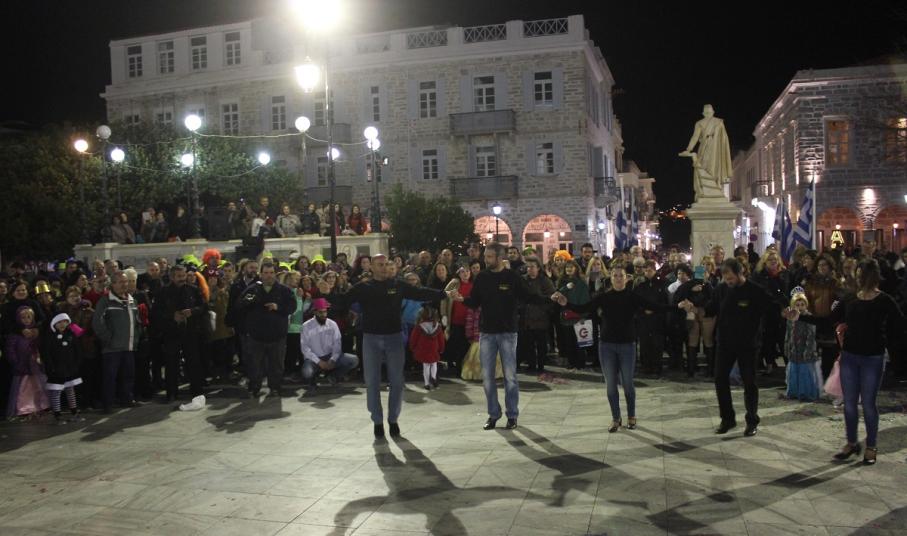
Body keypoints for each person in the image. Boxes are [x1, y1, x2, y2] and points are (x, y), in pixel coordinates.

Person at [788, 259, 904, 465]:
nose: (858, 278)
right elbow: (828, 320)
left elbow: (900, 326)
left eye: (862, 274)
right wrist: (801, 317)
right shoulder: (850, 298)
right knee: (849, 403)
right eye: (857, 274)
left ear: (873, 277)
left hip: (872, 358)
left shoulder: (884, 300)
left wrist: (886, 344)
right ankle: (852, 443)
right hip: (849, 356)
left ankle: (871, 446)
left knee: (868, 404)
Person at [336, 254, 452, 439]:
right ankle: (377, 421)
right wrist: (325, 294)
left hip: (394, 338)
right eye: (379, 265)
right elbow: (342, 301)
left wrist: (444, 294)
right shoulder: (363, 287)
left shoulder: (398, 285)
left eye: (385, 264)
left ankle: (393, 419)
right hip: (371, 339)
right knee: (372, 381)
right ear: (371, 267)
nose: (383, 268)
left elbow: (420, 292)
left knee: (397, 381)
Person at [554, 265, 674, 433]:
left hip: (627, 345)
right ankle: (616, 418)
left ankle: (631, 416)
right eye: (615, 275)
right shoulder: (604, 297)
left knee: (628, 384)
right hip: (607, 346)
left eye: (621, 275)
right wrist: (566, 304)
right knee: (611, 385)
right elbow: (584, 308)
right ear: (610, 278)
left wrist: (678, 306)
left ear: (626, 278)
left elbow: (656, 307)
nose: (618, 278)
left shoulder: (632, 296)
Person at [680, 258, 786, 437]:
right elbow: (709, 310)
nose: (728, 281)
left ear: (740, 273)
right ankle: (727, 419)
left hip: (748, 344)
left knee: (749, 382)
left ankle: (752, 420)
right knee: (720, 379)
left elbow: (773, 306)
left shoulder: (754, 290)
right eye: (725, 278)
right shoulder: (721, 290)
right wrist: (693, 308)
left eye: (730, 278)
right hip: (725, 342)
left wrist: (786, 311)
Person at [457, 243, 548, 431]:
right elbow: (474, 301)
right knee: (487, 377)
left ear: (499, 258)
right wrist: (461, 299)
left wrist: (550, 299)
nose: (485, 259)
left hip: (508, 332)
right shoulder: (482, 277)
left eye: (489, 256)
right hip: (487, 333)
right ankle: (493, 414)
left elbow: (528, 297)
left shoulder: (512, 277)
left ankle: (512, 415)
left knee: (510, 376)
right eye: (485, 256)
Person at [237, 262, 297, 397]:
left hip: (277, 336)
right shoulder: (252, 289)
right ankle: (254, 388)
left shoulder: (284, 290)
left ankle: (275, 388)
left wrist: (278, 307)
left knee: (276, 365)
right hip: (256, 336)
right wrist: (249, 301)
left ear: (275, 274)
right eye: (265, 273)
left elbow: (292, 308)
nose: (268, 276)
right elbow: (240, 305)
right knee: (255, 364)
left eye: (271, 273)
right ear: (261, 274)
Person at [92, 271, 142, 412]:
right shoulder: (105, 301)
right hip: (112, 348)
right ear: (113, 284)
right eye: (120, 282)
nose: (124, 285)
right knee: (110, 377)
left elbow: (137, 322)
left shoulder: (132, 301)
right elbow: (97, 323)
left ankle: (127, 399)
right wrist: (108, 338)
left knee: (128, 375)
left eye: (126, 281)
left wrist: (136, 337)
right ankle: (108, 403)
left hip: (129, 346)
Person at [155, 265, 207, 402]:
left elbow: (203, 307)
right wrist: (172, 316)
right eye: (179, 276)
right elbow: (156, 312)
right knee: (171, 363)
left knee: (193, 361)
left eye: (184, 275)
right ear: (172, 277)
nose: (182, 279)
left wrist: (192, 311)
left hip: (190, 331)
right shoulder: (163, 292)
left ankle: (196, 391)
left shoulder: (193, 290)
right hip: (171, 332)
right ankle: (172, 393)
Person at [300, 298, 359, 388]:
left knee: (354, 360)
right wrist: (319, 362)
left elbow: (337, 344)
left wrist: (332, 360)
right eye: (320, 312)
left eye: (325, 312)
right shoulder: (306, 326)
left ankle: (334, 376)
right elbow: (305, 348)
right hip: (314, 359)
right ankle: (313, 380)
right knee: (307, 372)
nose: (323, 315)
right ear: (314, 312)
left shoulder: (332, 324)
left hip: (330, 356)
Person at [42, 313, 85, 423]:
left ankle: (74, 413)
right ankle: (57, 415)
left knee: (70, 391)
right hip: (56, 370)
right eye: (59, 322)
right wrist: (51, 367)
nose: (62, 324)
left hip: (70, 368)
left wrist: (76, 364)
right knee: (56, 392)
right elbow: (46, 354)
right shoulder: (49, 337)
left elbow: (77, 350)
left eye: (65, 322)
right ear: (54, 324)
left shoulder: (71, 335)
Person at [519, 257, 556, 372]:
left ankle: (541, 365)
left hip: (541, 317)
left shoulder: (545, 281)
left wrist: (543, 308)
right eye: (528, 267)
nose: (529, 269)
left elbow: (551, 297)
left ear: (538, 268)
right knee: (528, 343)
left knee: (541, 344)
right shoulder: (522, 280)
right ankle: (531, 364)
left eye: (532, 267)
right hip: (526, 317)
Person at [783, 292, 821, 401]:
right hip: (794, 349)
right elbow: (788, 333)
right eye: (797, 305)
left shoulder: (808, 317)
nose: (800, 307)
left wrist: (808, 350)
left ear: (806, 305)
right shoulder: (791, 317)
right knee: (793, 372)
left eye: (802, 304)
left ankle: (806, 393)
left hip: (805, 349)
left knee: (805, 372)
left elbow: (811, 335)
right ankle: (794, 392)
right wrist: (787, 346)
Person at [556, 260, 591, 371]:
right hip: (566, 315)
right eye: (567, 267)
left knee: (580, 341)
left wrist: (583, 315)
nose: (569, 269)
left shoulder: (581, 283)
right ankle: (571, 362)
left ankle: (580, 363)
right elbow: (558, 295)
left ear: (576, 269)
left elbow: (585, 299)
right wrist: (566, 287)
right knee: (569, 340)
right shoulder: (562, 282)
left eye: (571, 267)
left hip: (579, 315)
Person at [442, 266, 473, 373]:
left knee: (465, 344)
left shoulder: (473, 285)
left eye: (467, 271)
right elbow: (444, 297)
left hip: (469, 320)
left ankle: (460, 366)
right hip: (455, 319)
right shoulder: (454, 283)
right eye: (463, 272)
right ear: (459, 274)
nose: (465, 273)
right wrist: (444, 314)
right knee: (455, 342)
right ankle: (453, 364)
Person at [410, 306, 445, 390]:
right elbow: (441, 340)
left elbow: (413, 338)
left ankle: (427, 384)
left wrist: (412, 347)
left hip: (423, 349)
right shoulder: (438, 326)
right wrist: (441, 348)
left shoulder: (419, 326)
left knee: (426, 365)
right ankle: (433, 377)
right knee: (434, 363)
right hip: (434, 349)